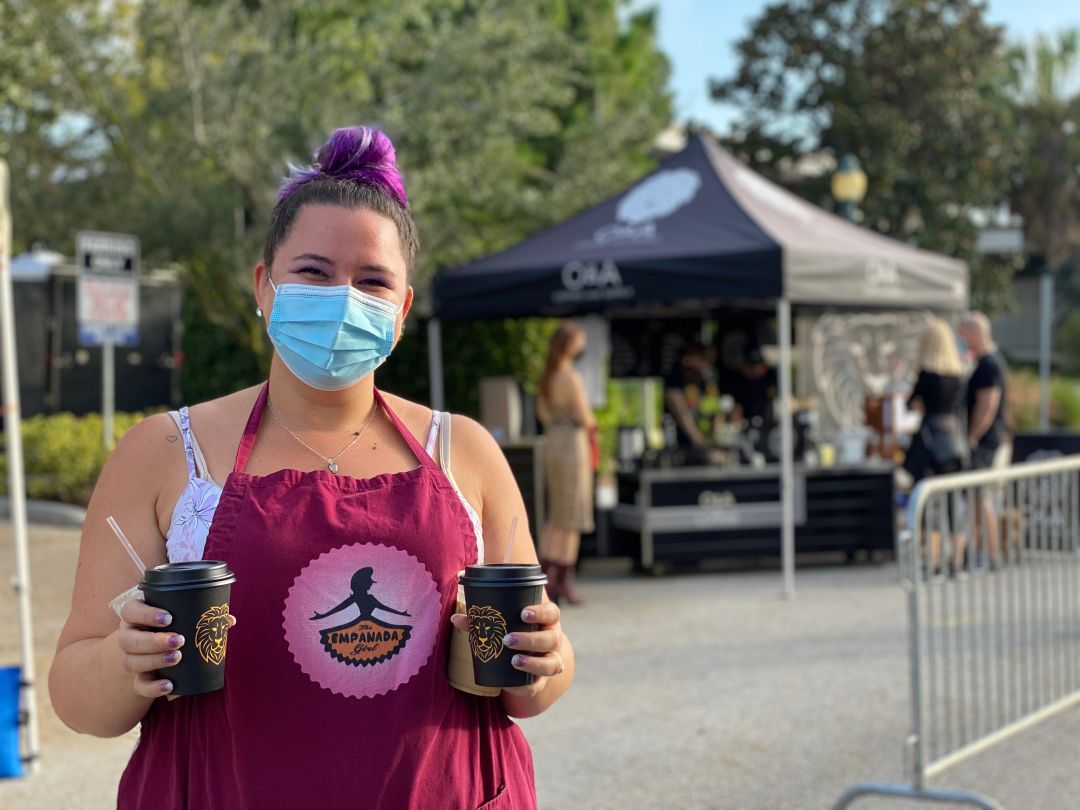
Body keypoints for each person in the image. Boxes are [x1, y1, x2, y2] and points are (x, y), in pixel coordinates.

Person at [48, 126, 573, 810]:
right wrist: (126, 662)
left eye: (373, 281)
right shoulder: (163, 452)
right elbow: (75, 694)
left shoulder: (466, 451)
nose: (343, 299)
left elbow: (529, 683)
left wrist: (547, 665)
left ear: (403, 308)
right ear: (264, 286)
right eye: (314, 273)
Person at [903, 319, 968, 574]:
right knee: (953, 502)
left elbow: (910, 404)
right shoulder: (958, 374)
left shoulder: (926, 374)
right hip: (953, 440)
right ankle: (957, 559)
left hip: (930, 441)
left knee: (927, 501)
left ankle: (932, 559)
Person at [536, 321, 595, 606]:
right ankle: (563, 582)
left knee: (556, 514)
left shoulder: (547, 376)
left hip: (553, 441)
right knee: (572, 514)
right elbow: (586, 416)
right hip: (572, 442)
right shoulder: (570, 377)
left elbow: (544, 414)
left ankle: (547, 578)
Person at [958, 310, 1009, 566]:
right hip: (985, 439)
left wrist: (972, 436)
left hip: (984, 441)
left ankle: (990, 553)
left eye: (964, 334)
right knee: (977, 499)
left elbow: (988, 406)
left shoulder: (989, 364)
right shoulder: (985, 363)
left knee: (981, 497)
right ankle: (978, 549)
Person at [663, 341, 717, 458]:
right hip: (681, 447)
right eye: (703, 359)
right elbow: (682, 413)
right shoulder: (674, 383)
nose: (706, 365)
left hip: (705, 442)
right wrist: (699, 440)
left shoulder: (705, 382)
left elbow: (714, 410)